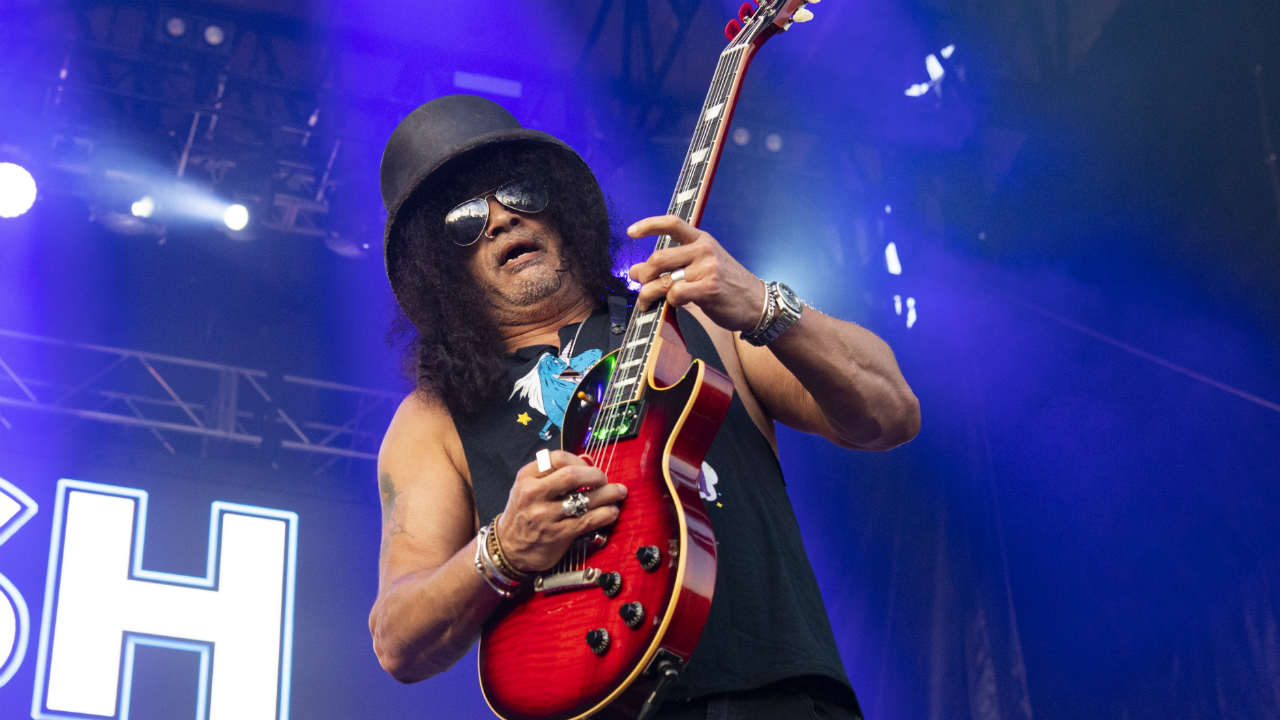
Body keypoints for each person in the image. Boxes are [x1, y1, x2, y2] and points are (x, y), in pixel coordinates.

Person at [368, 94, 920, 719]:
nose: (499, 220)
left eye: (518, 194)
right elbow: (398, 639)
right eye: (465, 218)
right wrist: (503, 548)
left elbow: (891, 413)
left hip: (777, 695)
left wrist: (765, 305)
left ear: (557, 205)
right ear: (439, 266)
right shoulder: (431, 418)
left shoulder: (701, 316)